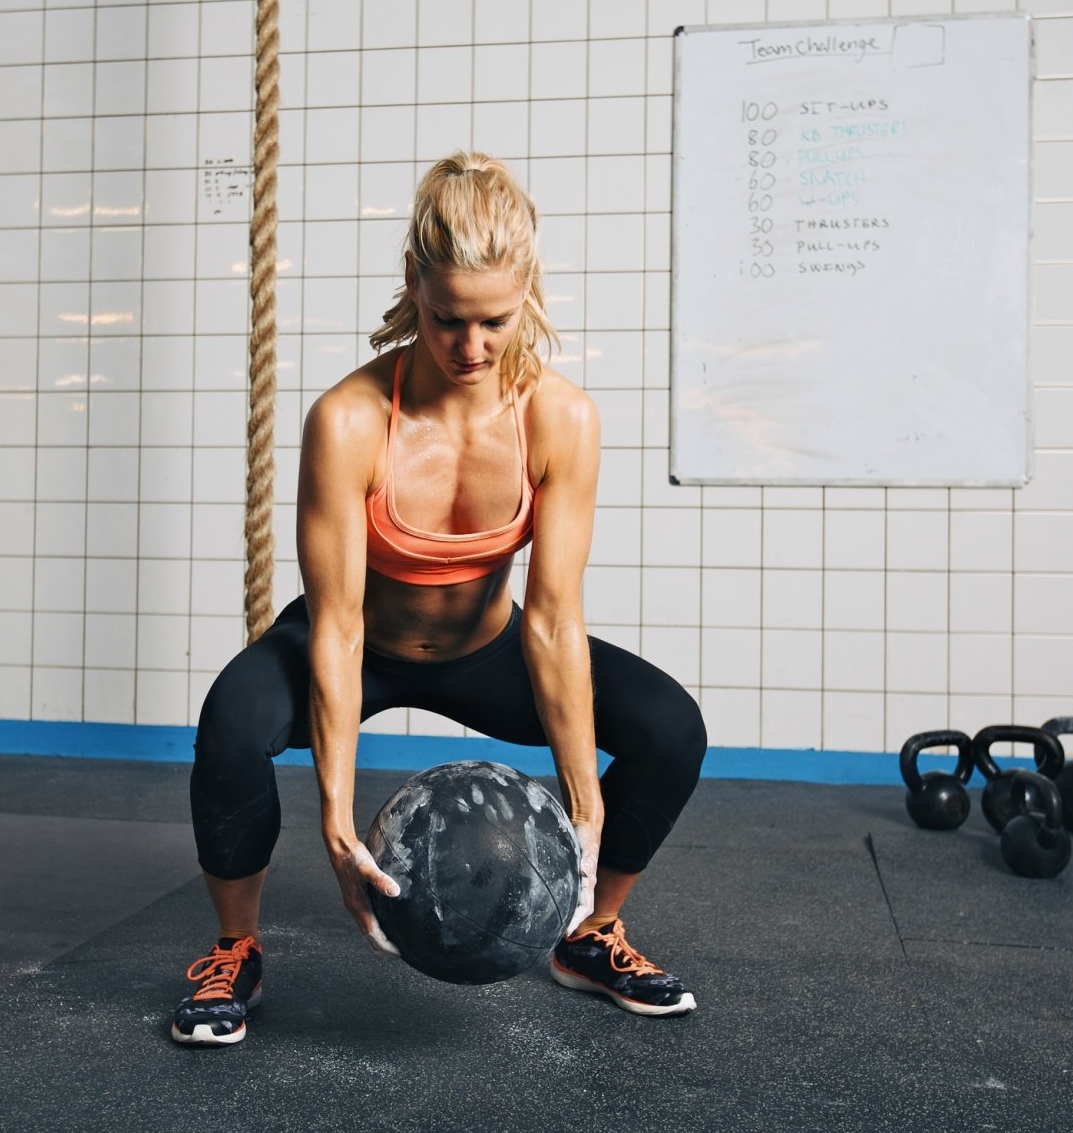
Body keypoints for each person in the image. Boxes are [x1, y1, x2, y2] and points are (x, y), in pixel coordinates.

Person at [171, 152, 707, 1046]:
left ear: (527, 287)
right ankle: (234, 947)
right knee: (231, 722)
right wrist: (336, 818)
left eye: (494, 320)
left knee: (671, 729)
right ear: (412, 282)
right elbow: (337, 626)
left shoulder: (560, 418)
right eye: (446, 318)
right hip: (360, 643)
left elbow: (552, 617)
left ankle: (591, 931)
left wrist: (583, 802)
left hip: (487, 650)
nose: (471, 347)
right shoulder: (349, 420)